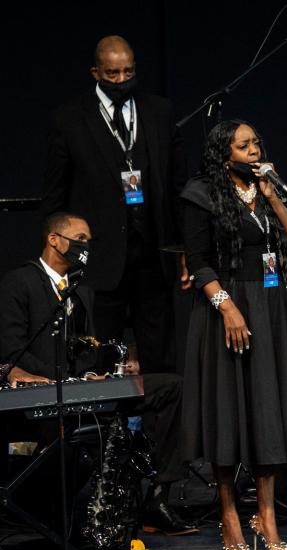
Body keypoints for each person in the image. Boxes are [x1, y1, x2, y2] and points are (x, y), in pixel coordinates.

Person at [0, 212, 195, 536]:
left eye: (89, 241)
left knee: (170, 386)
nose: (85, 247)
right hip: (42, 392)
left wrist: (99, 374)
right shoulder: (20, 283)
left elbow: (87, 351)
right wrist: (63, 379)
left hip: (83, 389)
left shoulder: (82, 291)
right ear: (54, 240)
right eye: (80, 239)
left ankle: (157, 495)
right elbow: (12, 351)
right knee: (70, 433)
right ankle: (46, 514)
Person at [180, 120, 287, 550]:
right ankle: (229, 512)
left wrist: (273, 193)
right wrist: (227, 308)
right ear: (224, 154)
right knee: (228, 411)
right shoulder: (200, 194)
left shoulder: (268, 190)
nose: (254, 150)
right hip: (227, 307)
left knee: (267, 411)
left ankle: (267, 514)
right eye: (244, 144)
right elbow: (197, 261)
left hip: (270, 308)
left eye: (256, 141)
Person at [40, 35, 186, 375]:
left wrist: (185, 250)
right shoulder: (69, 119)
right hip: (97, 262)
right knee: (99, 357)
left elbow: (179, 185)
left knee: (161, 360)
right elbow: (54, 195)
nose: (122, 80)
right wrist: (56, 255)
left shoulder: (160, 111)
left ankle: (158, 426)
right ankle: (106, 428)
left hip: (154, 257)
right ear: (95, 73)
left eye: (128, 72)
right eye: (112, 74)